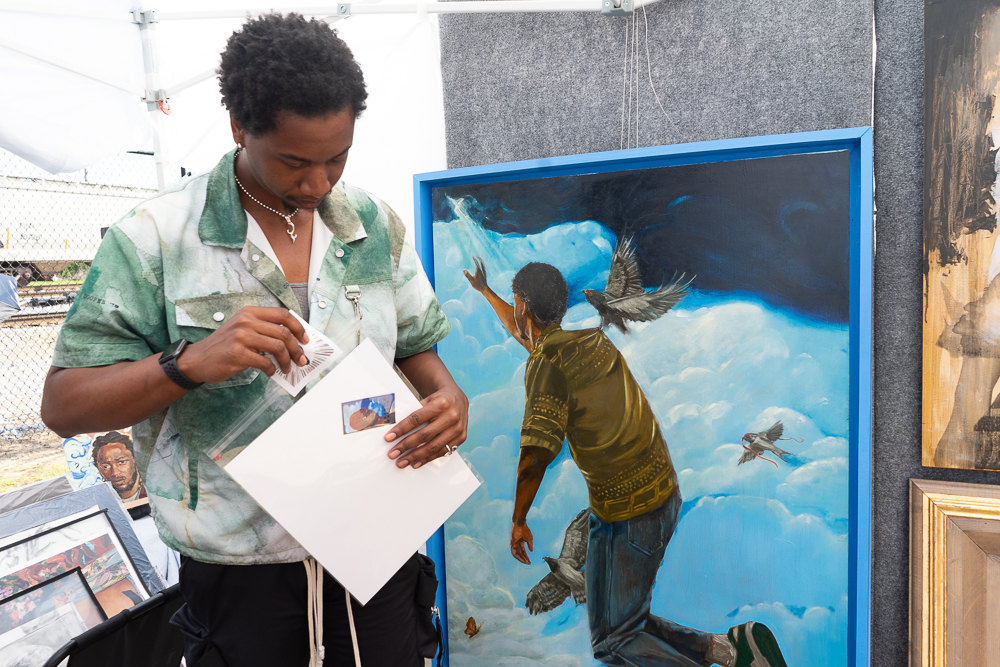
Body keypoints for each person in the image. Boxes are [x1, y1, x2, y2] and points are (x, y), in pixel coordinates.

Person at [41, 13, 468, 667]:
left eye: (337, 158)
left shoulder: (371, 224)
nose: (318, 184)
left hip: (377, 546)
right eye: (294, 162)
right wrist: (189, 364)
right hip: (242, 577)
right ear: (239, 128)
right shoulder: (155, 238)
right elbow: (64, 405)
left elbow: (414, 345)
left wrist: (447, 397)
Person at [464, 260, 788, 667]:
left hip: (634, 516)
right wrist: (485, 291)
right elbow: (524, 333)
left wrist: (518, 520)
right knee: (615, 631)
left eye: (516, 305)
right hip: (637, 504)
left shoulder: (549, 363)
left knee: (616, 641)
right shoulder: (589, 343)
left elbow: (534, 457)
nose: (516, 315)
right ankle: (733, 650)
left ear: (525, 308)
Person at [92, 431, 146, 502]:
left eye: (122, 462)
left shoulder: (154, 491)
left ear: (135, 460)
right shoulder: (100, 501)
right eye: (105, 466)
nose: (115, 473)